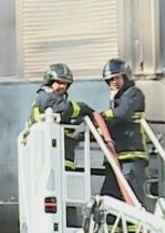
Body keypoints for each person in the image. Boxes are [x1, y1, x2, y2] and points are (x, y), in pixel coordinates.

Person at [98, 58, 147, 203]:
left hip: (131, 154)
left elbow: (123, 113)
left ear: (125, 76)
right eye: (110, 79)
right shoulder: (115, 100)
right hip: (116, 157)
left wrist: (101, 116)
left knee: (132, 197)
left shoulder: (133, 93)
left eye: (117, 77)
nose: (114, 82)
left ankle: (137, 226)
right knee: (109, 198)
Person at [28, 63, 93, 171]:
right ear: (50, 81)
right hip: (53, 156)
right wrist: (84, 108)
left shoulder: (49, 98)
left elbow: (60, 122)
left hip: (59, 156)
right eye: (59, 82)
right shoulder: (46, 97)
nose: (63, 86)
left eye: (65, 83)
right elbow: (64, 109)